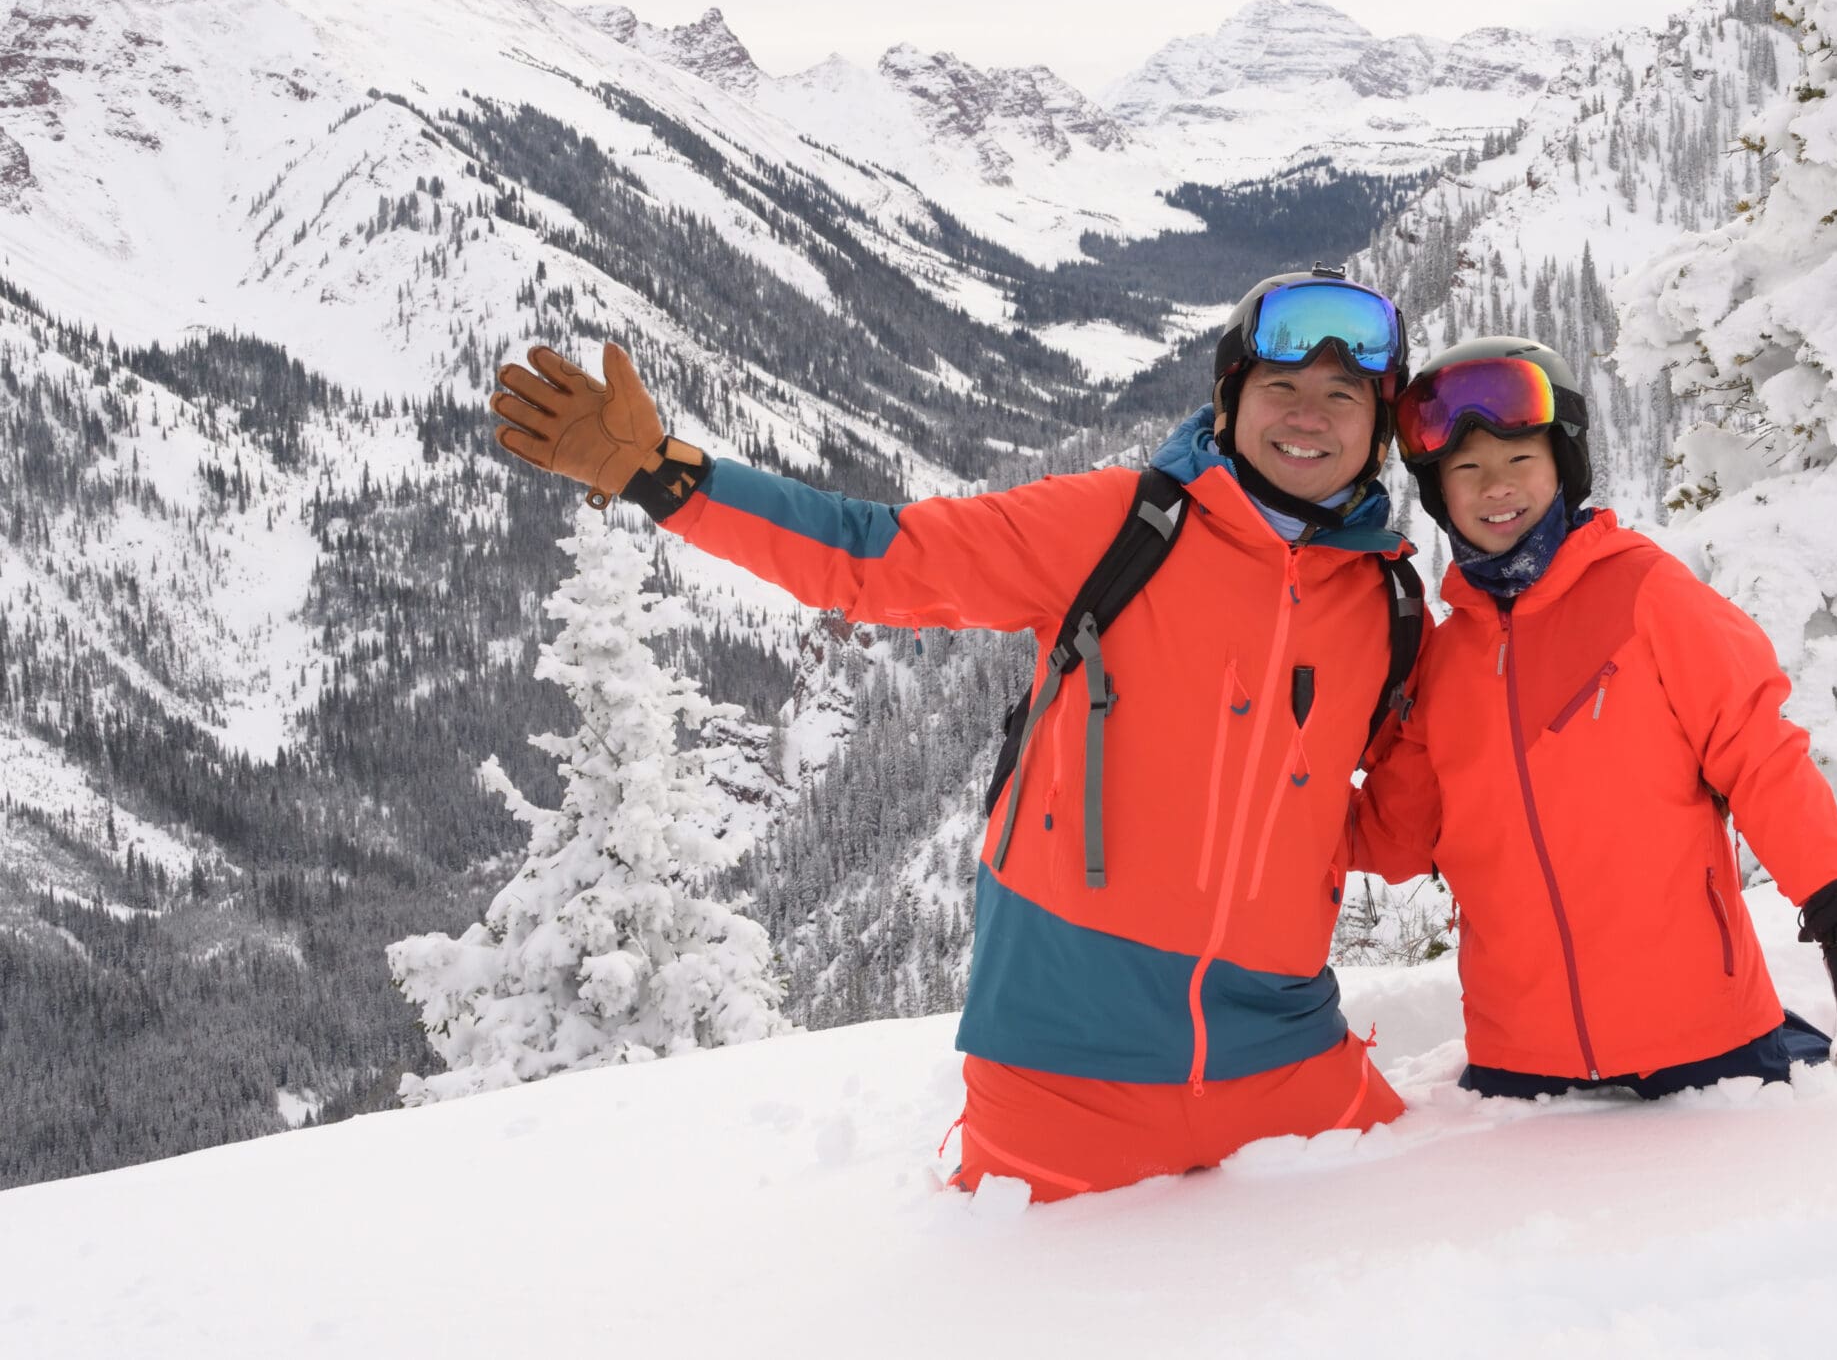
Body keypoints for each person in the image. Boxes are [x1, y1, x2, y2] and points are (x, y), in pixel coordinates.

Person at [488, 268, 1424, 1198]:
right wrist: (665, 477)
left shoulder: (1385, 604)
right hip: (1061, 1060)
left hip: (1285, 1051)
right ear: (1228, 404)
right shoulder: (1121, 527)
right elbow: (873, 556)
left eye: (1343, 396)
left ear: (1377, 430)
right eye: (1281, 388)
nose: (1310, 416)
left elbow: (1396, 830)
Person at [1348, 336, 1837, 1100]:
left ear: (1562, 466)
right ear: (1440, 492)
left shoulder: (1646, 594)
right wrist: (1277, 787)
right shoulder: (1441, 661)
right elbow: (1394, 833)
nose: (1495, 487)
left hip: (1703, 1040)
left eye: (1519, 461)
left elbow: (1759, 753)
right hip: (1522, 1063)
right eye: (1467, 469)